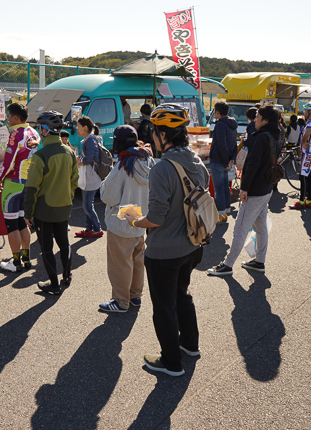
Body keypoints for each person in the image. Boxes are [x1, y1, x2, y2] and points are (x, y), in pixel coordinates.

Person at [124, 104, 207, 377]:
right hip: (192, 245)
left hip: (165, 252)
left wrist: (135, 221)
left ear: (162, 136)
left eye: (154, 134)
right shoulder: (196, 162)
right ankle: (189, 345)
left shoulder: (162, 169)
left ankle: (171, 362)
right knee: (182, 294)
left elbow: (156, 218)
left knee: (164, 306)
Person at [208, 106, 280, 277]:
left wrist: (244, 189)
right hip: (266, 188)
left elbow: (253, 164)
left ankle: (227, 264)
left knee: (240, 228)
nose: (255, 120)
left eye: (258, 117)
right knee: (260, 227)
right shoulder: (274, 136)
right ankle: (259, 261)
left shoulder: (260, 138)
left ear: (265, 120)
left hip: (254, 191)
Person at [98, 125, 154, 312]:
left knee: (120, 264)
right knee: (137, 260)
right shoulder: (148, 160)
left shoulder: (124, 164)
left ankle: (120, 301)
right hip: (140, 218)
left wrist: (104, 183)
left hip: (121, 219)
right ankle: (134, 296)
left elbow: (109, 197)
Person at [24, 110, 79, 295]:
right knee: (64, 243)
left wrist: (27, 213)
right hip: (64, 207)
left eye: (40, 128)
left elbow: (32, 187)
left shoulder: (40, 155)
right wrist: (67, 198)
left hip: (44, 211)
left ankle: (54, 285)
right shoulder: (70, 152)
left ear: (46, 130)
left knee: (46, 248)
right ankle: (67, 276)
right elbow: (74, 181)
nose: (39, 131)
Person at [0, 103, 40, 273]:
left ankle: (15, 262)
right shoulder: (34, 132)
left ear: (15, 117)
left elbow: (9, 160)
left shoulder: (16, 133)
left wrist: (0, 178)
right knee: (23, 222)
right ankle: (26, 259)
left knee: (11, 225)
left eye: (8, 116)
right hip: (28, 183)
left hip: (13, 183)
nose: (7, 119)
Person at [290, 102, 311, 210]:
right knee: (309, 176)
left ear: (310, 112)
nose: (304, 113)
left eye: (305, 111)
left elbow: (308, 132)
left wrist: (303, 142)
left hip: (308, 152)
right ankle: (308, 200)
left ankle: (301, 202)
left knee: (303, 176)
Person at [209, 101, 238, 223]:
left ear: (218, 112)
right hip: (227, 161)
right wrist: (231, 160)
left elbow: (222, 145)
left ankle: (220, 215)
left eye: (214, 112)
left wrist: (226, 161)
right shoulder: (232, 124)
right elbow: (234, 145)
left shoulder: (220, 124)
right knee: (225, 188)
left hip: (219, 161)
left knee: (219, 189)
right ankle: (225, 212)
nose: (214, 114)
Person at [75, 116, 104, 238]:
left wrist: (78, 159)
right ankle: (88, 229)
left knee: (87, 206)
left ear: (85, 128)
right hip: (89, 177)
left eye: (79, 127)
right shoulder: (89, 140)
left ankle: (97, 229)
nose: (77, 129)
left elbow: (89, 159)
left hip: (91, 177)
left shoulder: (90, 141)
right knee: (88, 205)